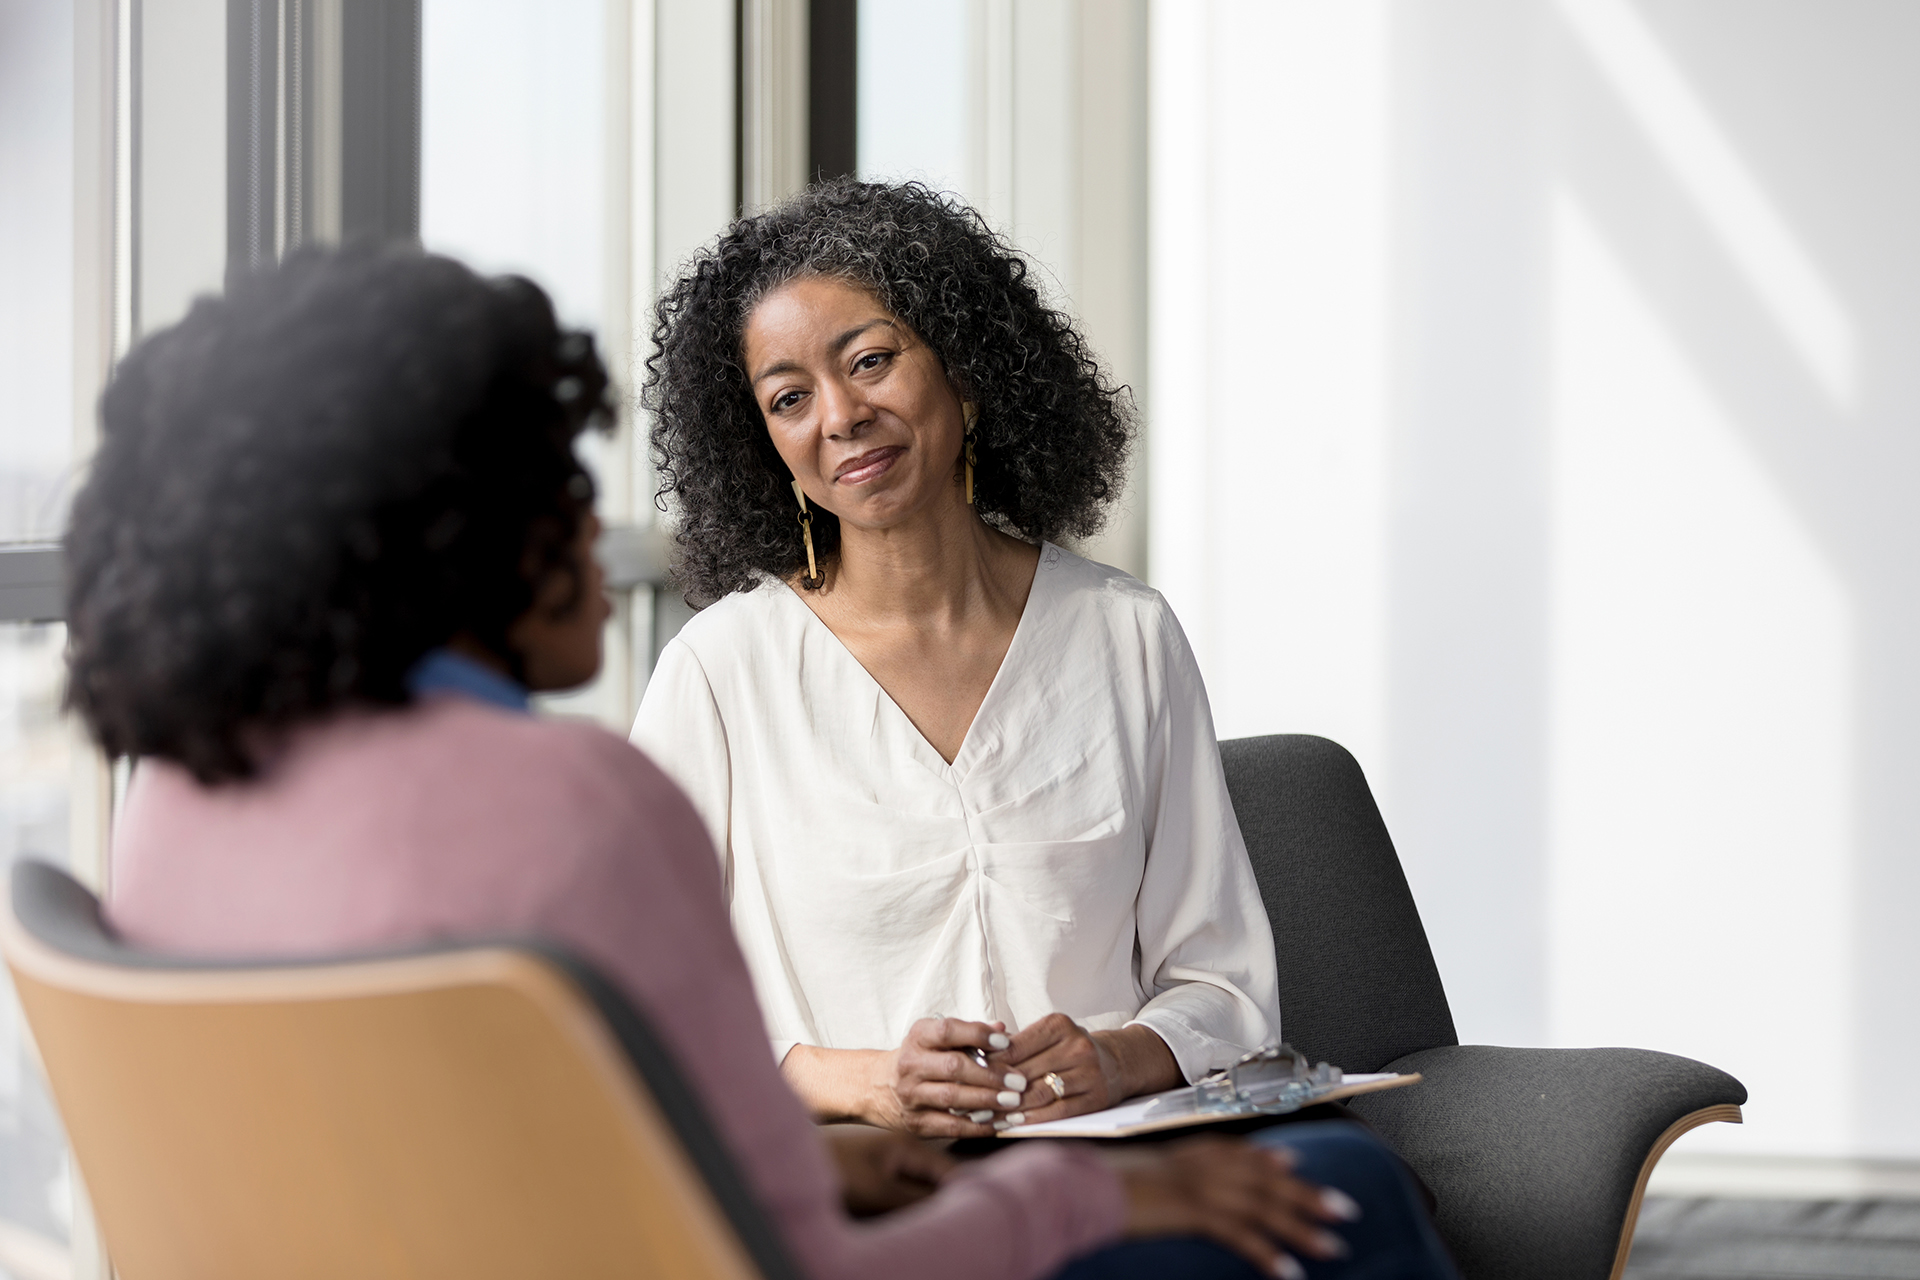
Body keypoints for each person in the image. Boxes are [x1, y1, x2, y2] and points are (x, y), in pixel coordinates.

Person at [64, 244, 1457, 1280]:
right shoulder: (584, 798)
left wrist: (867, 1147)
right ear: (446, 531)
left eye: (869, 362)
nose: (607, 541)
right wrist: (1096, 1201)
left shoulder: (179, 806)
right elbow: (777, 1246)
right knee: (1341, 1193)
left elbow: (614, 1132)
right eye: (560, 487)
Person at [632, 180, 1279, 1137]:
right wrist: (864, 1084)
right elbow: (641, 1009)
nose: (842, 415)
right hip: (865, 1186)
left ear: (967, 374)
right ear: (763, 442)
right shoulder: (719, 676)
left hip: (1116, 1163)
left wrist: (1117, 1057)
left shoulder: (1126, 637)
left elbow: (1222, 984)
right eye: (789, 398)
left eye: (873, 360)